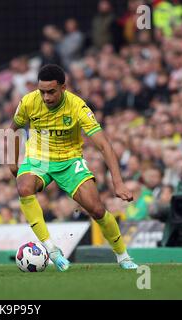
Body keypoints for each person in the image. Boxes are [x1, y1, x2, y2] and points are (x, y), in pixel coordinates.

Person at [9, 64, 138, 271]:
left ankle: (123, 256)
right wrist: (12, 162)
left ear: (63, 87)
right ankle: (52, 249)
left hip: (70, 161)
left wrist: (119, 183)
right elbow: (13, 130)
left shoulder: (78, 106)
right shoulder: (29, 101)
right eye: (42, 92)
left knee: (96, 209)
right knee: (24, 187)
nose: (46, 97)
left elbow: (104, 145)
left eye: (51, 92)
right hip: (38, 157)